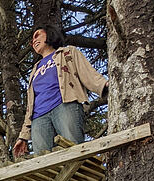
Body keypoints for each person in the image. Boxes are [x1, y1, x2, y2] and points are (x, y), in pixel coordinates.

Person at [13, 25, 108, 158]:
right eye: (31, 40)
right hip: (38, 118)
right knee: (42, 161)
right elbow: (30, 106)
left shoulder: (68, 52)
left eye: (37, 35)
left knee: (74, 150)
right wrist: (23, 136)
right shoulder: (35, 69)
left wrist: (105, 85)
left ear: (49, 34)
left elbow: (87, 73)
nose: (33, 41)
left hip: (65, 105)